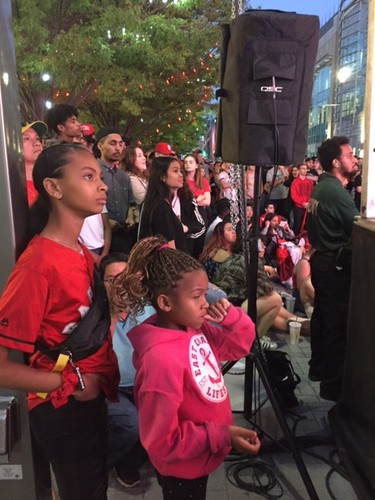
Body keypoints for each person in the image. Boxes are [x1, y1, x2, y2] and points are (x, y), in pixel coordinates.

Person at [0, 143, 119, 500]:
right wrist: (66, 382)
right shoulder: (38, 265)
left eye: (99, 177)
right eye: (88, 176)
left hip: (88, 397)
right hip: (62, 408)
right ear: (53, 188)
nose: (103, 186)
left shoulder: (80, 250)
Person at [114, 236, 260, 500]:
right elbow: (160, 440)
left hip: (200, 455)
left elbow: (239, 346)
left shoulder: (196, 328)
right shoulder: (160, 360)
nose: (205, 302)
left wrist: (232, 317)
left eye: (204, 294)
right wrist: (219, 435)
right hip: (181, 468)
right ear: (165, 303)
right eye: (196, 296)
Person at [306, 136, 359, 401]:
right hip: (334, 267)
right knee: (337, 325)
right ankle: (333, 386)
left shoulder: (323, 187)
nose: (355, 159)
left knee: (324, 319)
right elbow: (357, 229)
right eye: (350, 155)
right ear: (336, 162)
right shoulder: (335, 193)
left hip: (324, 264)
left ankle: (320, 371)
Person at [99, 253, 151, 488]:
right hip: (112, 387)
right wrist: (112, 315)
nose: (119, 285)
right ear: (102, 283)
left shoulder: (148, 310)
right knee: (132, 423)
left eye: (124, 278)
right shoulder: (95, 315)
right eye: (112, 280)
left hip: (144, 385)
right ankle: (98, 464)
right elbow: (99, 357)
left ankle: (130, 460)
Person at [95, 127, 135, 253]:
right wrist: (105, 221)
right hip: (98, 236)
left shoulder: (124, 176)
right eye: (112, 143)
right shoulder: (92, 172)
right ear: (100, 145)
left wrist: (130, 216)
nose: (118, 148)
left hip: (123, 235)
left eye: (121, 144)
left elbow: (130, 202)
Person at [138, 156, 187, 252]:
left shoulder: (158, 202)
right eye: (175, 171)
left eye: (180, 171)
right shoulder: (161, 207)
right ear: (162, 177)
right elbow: (170, 250)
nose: (181, 175)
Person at [22, 121, 48, 205]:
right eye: (26, 138)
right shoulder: (9, 189)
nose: (36, 143)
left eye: (37, 138)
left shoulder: (51, 180)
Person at [290, 163, 314, 235]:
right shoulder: (295, 182)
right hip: (298, 207)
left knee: (307, 224)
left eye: (306, 169)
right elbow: (294, 195)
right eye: (303, 168)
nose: (305, 170)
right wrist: (302, 203)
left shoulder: (309, 182)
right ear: (299, 170)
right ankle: (295, 239)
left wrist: (308, 203)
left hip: (308, 206)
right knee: (297, 224)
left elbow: (311, 194)